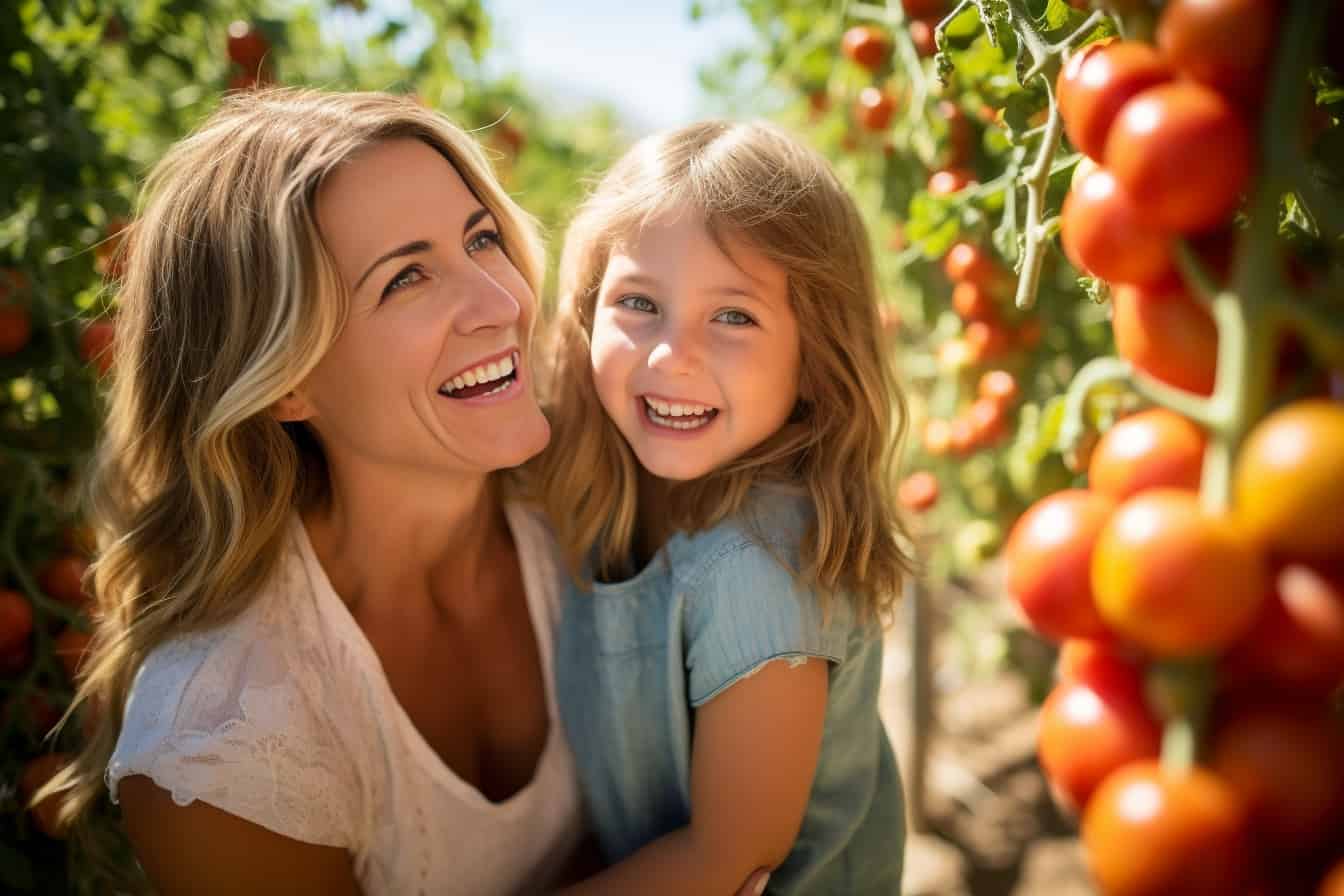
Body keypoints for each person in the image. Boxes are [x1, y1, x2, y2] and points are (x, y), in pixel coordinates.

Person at [36, 88, 770, 896]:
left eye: (482, 238)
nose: (501, 304)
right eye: (407, 278)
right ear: (284, 382)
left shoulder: (597, 483)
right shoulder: (219, 750)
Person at [536, 119, 912, 895]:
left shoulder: (759, 565)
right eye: (638, 302)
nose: (674, 355)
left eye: (734, 316)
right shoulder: (620, 502)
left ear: (816, 359)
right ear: (587, 315)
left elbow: (726, 861)